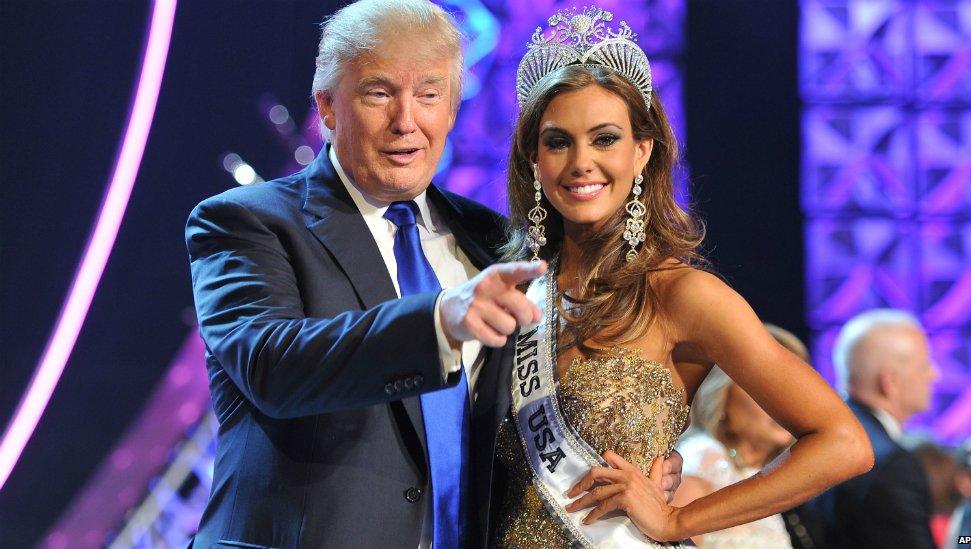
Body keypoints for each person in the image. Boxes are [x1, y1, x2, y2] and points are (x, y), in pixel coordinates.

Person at [185, 1, 681, 547]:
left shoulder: (495, 243)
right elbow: (272, 366)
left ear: (451, 109)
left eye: (428, 94)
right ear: (327, 106)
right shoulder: (246, 221)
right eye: (378, 93)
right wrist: (439, 323)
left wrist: (644, 451)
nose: (406, 120)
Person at [488, 6, 873, 547]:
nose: (580, 162)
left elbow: (844, 442)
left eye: (604, 139)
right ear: (533, 157)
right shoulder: (512, 293)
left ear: (642, 151)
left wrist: (680, 519)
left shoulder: (680, 294)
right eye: (557, 141)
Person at [805, 309, 939, 549]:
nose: (934, 374)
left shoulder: (818, 434)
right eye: (924, 366)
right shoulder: (891, 465)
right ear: (891, 382)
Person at [671, 324, 806, 548]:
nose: (783, 402)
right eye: (765, 384)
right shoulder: (701, 463)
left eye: (794, 389)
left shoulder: (756, 472)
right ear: (721, 392)